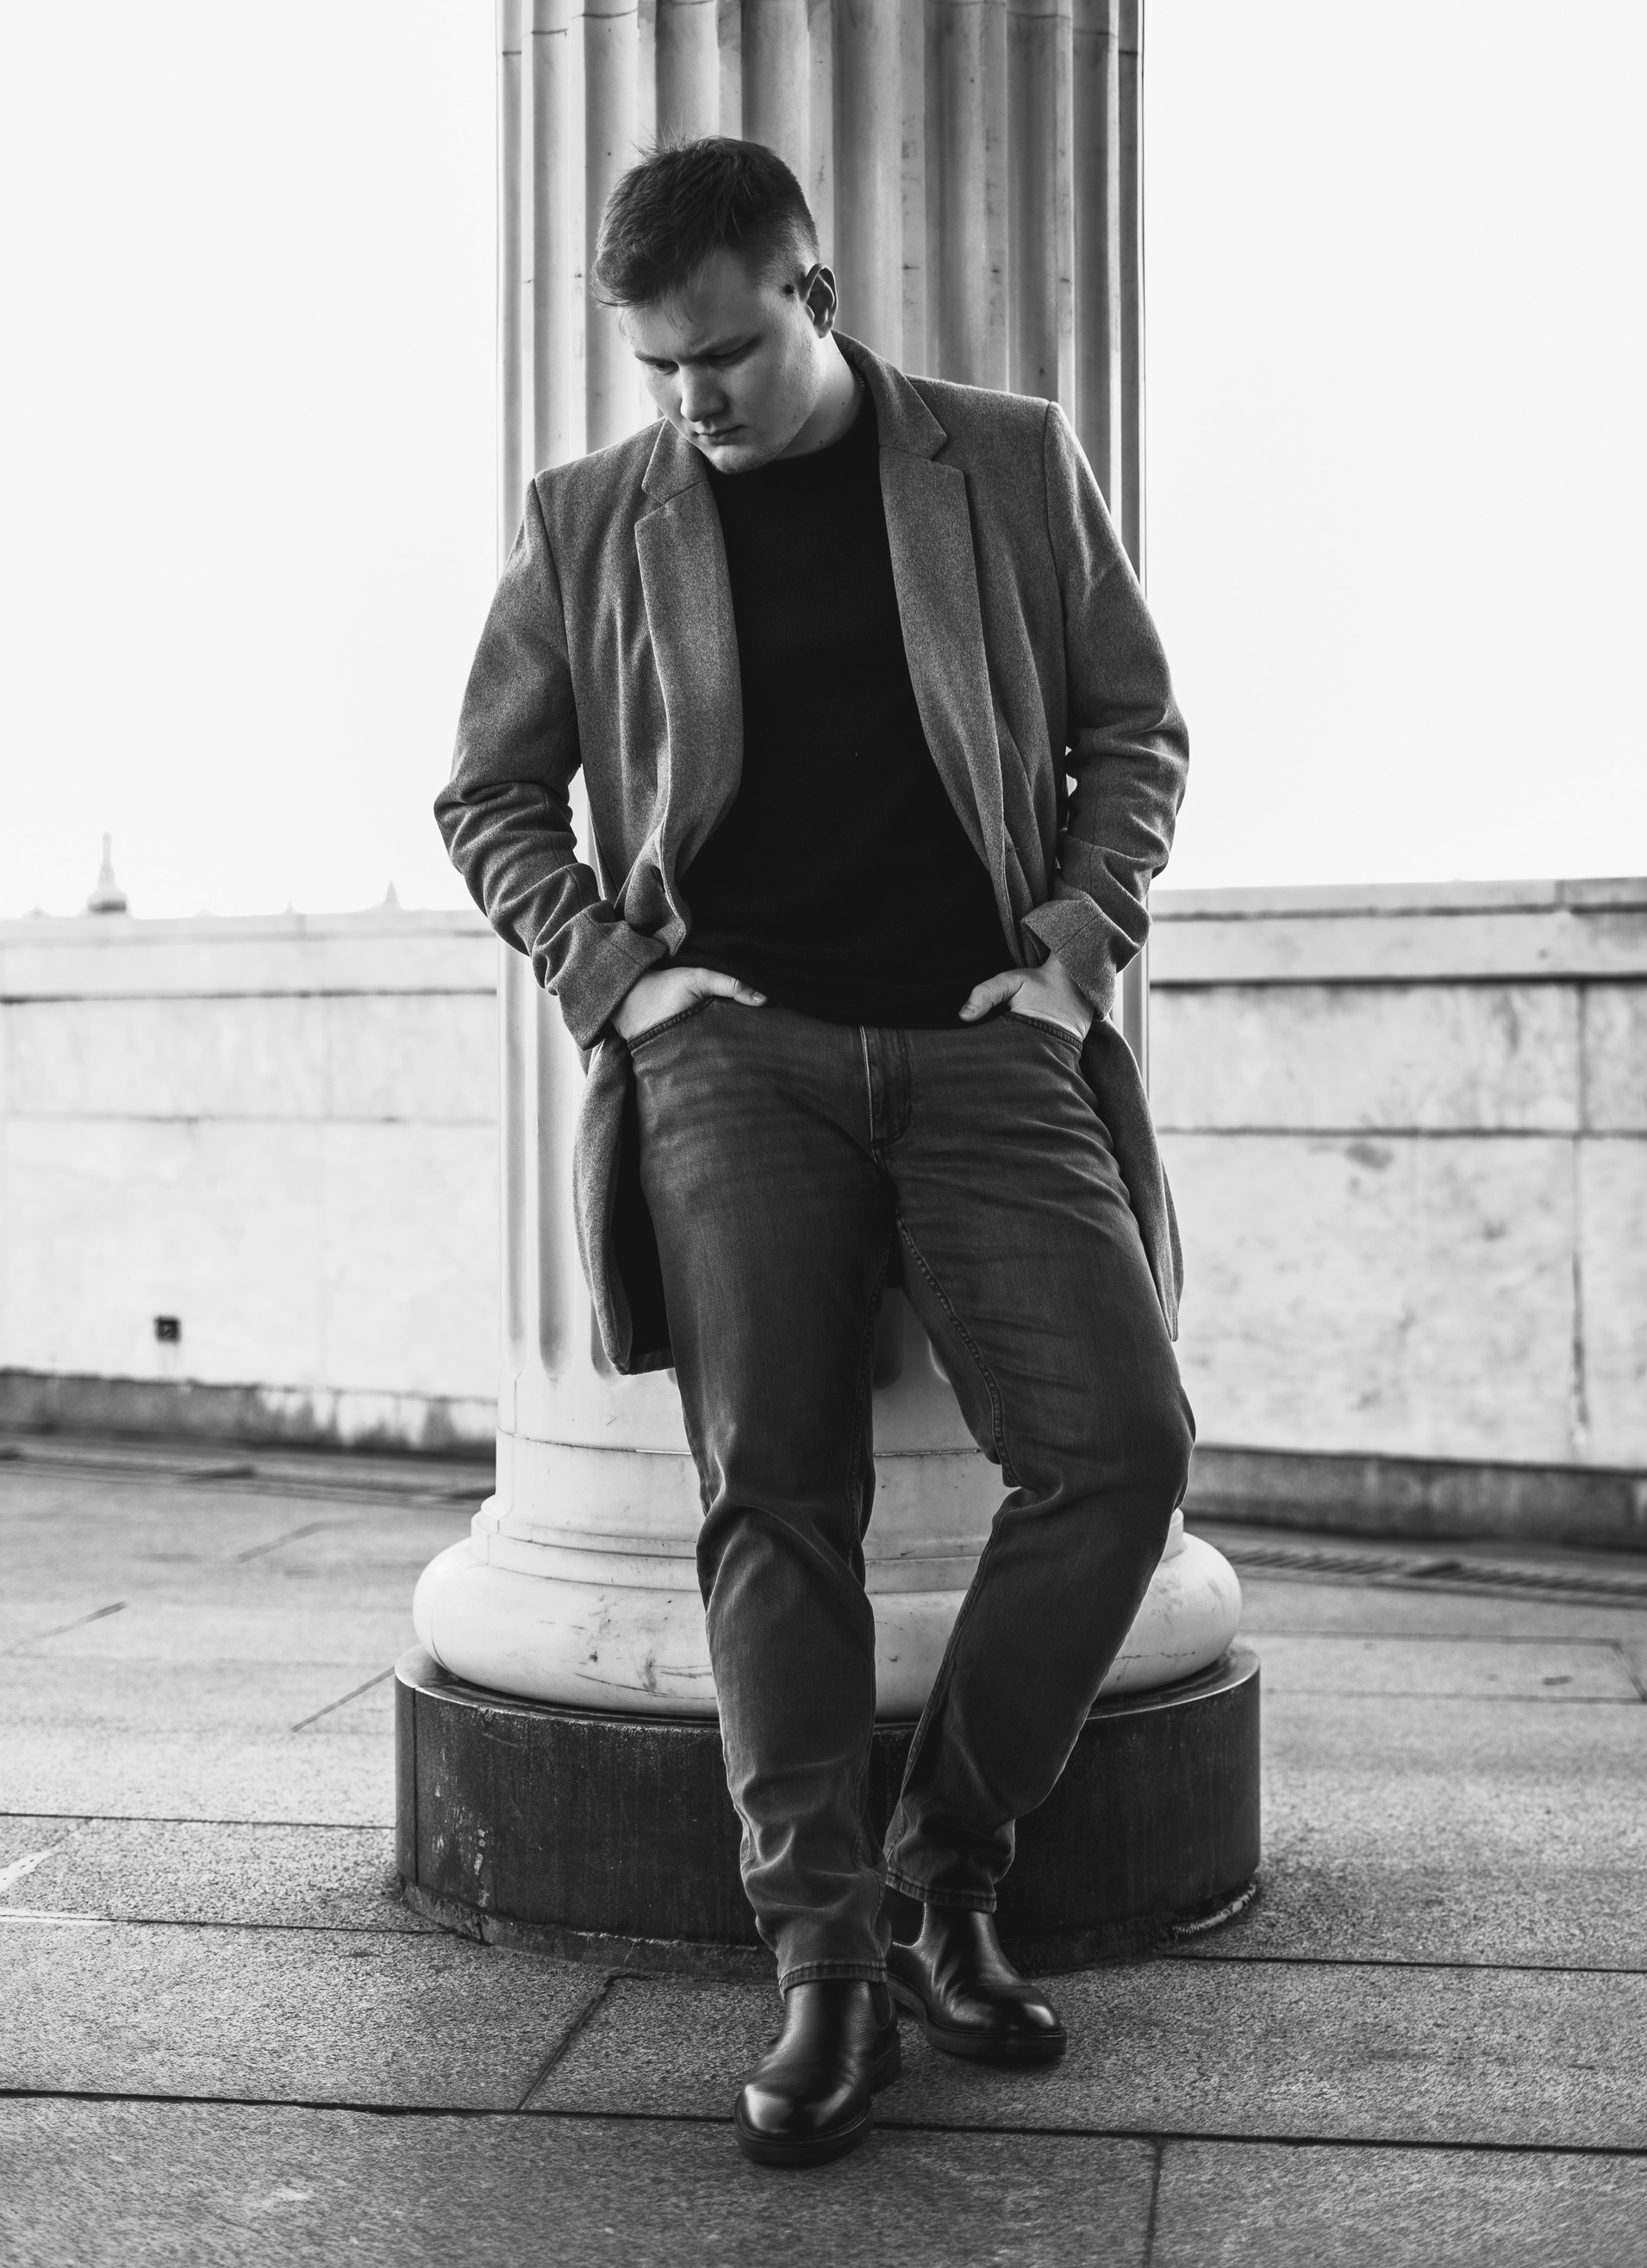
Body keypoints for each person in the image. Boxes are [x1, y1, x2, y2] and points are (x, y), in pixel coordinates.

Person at [437, 135, 1194, 2170]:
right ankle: (827, 1965)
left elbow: (1132, 729)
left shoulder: (1006, 463)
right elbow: (488, 796)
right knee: (773, 1500)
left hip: (985, 1038)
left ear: (818, 299)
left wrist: (1075, 946)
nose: (693, 399)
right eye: (661, 369)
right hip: (734, 1061)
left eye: (725, 356)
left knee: (1121, 1447)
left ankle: (948, 1872)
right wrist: (616, 981)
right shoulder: (588, 520)